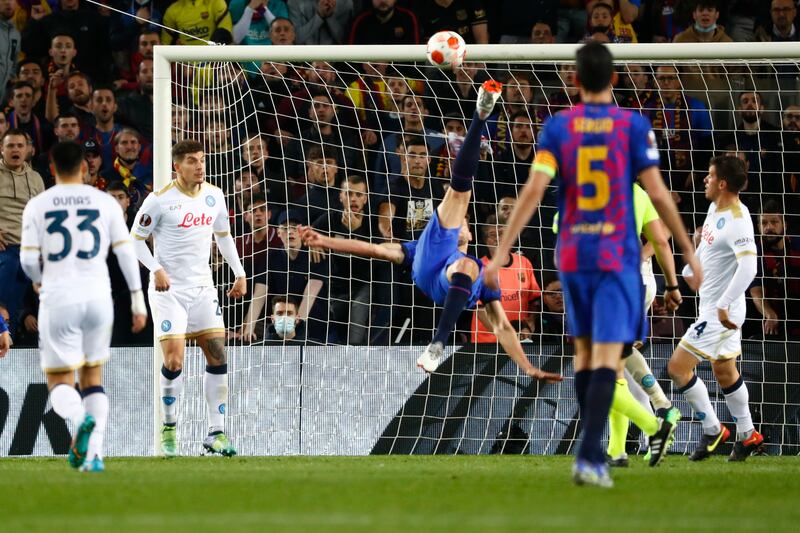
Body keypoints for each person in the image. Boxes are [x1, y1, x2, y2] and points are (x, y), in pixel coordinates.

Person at [485, 42, 700, 487]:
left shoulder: (558, 127)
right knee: (609, 358)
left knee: (585, 355)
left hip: (574, 254)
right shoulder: (633, 125)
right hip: (617, 256)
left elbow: (532, 192)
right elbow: (659, 194)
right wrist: (688, 251)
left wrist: (501, 249)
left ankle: (595, 454)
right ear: (615, 78)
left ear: (575, 80)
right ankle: (591, 456)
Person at [299, 80, 562, 383]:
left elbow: (503, 328)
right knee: (460, 193)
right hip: (430, 263)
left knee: (468, 260)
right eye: (462, 222)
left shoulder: (484, 277)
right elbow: (371, 248)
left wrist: (529, 368)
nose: (463, 223)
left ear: (471, 236)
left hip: (449, 282)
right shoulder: (417, 246)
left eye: (466, 224)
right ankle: (480, 116)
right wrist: (324, 240)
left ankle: (438, 344)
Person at [19, 141, 148, 472]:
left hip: (59, 297)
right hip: (98, 298)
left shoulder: (37, 204)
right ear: (85, 168)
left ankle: (79, 419)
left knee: (60, 381)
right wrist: (137, 299)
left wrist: (38, 278)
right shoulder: (104, 202)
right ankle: (93, 457)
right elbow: (125, 251)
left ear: (51, 168)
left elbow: (28, 259)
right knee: (93, 378)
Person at [130, 139, 248, 457]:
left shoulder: (214, 196)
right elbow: (135, 240)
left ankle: (216, 433)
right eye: (192, 161)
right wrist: (155, 269)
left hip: (202, 289)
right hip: (169, 292)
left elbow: (223, 236)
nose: (200, 166)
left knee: (218, 356)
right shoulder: (159, 201)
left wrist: (239, 273)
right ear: (176, 166)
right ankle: (169, 429)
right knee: (174, 360)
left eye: (202, 160)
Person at [667, 155, 763, 462]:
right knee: (724, 370)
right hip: (713, 305)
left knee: (677, 368)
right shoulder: (714, 208)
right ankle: (748, 436)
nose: (705, 180)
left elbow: (749, 267)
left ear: (722, 183)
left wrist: (722, 305)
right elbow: (707, 251)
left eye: (709, 176)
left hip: (722, 312)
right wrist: (688, 274)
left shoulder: (738, 219)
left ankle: (713, 430)